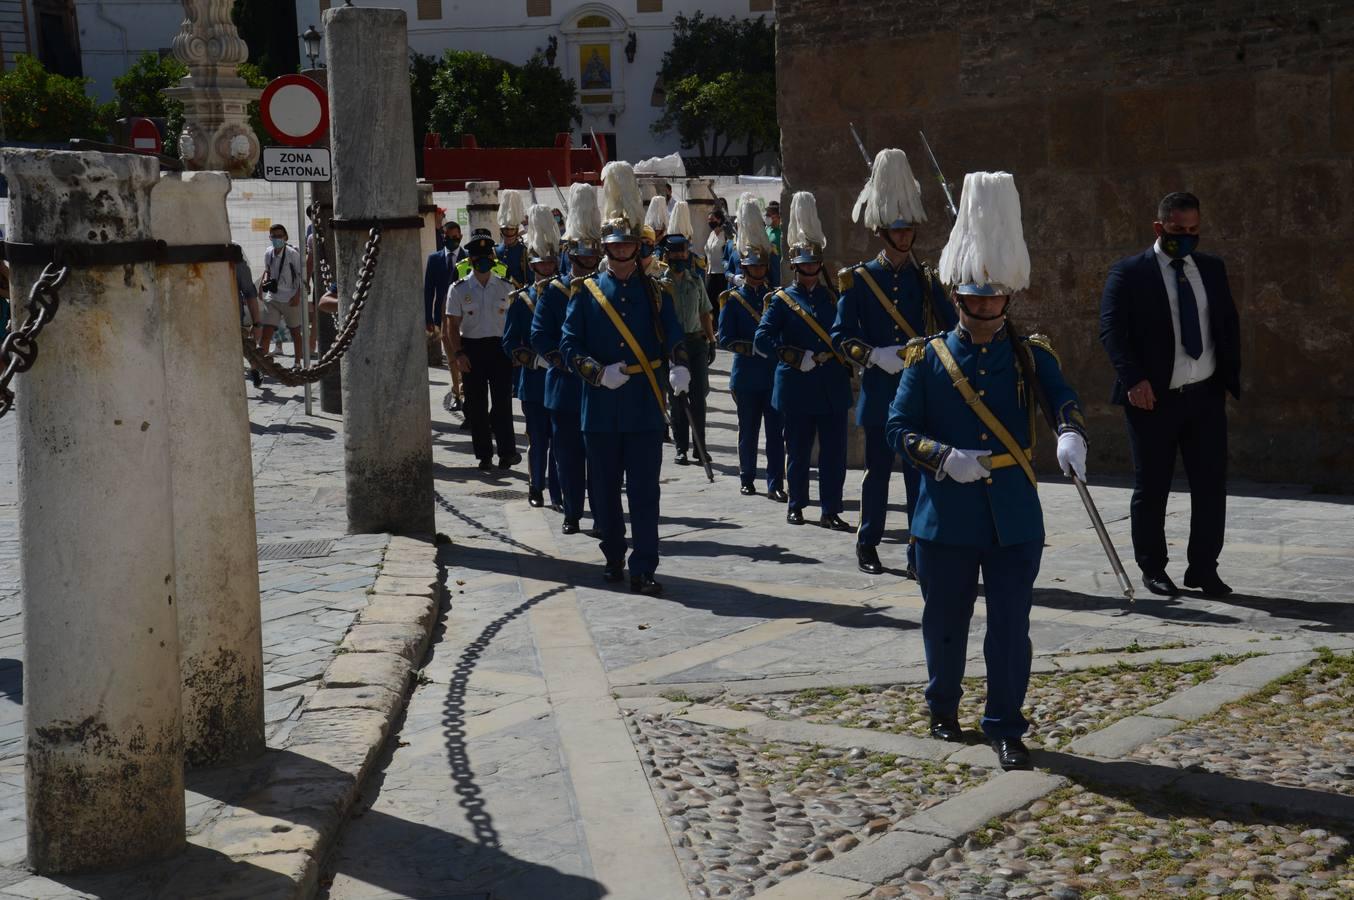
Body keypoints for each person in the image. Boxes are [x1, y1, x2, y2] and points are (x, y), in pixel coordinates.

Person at [887, 172, 1088, 771]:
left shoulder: (1032, 353)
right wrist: (945, 458)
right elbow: (898, 430)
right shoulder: (926, 359)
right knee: (944, 622)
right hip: (945, 513)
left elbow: (1063, 398)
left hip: (1014, 516)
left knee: (1010, 627)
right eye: (974, 300)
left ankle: (1005, 722)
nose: (984, 309)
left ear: (1009, 298)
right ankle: (943, 705)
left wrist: (1072, 432)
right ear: (957, 298)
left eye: (994, 299)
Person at [1098, 192, 1240, 598]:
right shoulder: (1129, 273)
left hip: (1205, 397)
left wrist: (1228, 375)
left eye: (1194, 230)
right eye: (1179, 230)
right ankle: (1153, 568)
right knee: (1153, 485)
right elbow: (1111, 332)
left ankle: (1203, 568)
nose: (1188, 237)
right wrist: (1133, 380)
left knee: (1211, 485)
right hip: (1152, 399)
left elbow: (1225, 322)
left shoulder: (1211, 269)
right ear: (1159, 228)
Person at [561, 161, 687, 595]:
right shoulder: (585, 292)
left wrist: (679, 364)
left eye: (627, 244)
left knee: (645, 492)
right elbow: (568, 346)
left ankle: (645, 564)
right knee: (604, 489)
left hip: (645, 404)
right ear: (605, 248)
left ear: (637, 246)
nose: (621, 252)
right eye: (614, 246)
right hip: (599, 408)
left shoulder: (656, 290)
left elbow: (673, 334)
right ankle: (614, 554)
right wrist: (596, 373)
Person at [834, 149, 956, 578]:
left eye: (910, 231)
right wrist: (873, 356)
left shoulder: (925, 279)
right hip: (881, 390)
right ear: (883, 231)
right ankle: (868, 542)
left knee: (918, 481)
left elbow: (952, 326)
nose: (905, 237)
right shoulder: (861, 279)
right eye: (898, 231)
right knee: (877, 476)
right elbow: (840, 337)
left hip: (918, 391)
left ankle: (916, 551)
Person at [754, 192, 853, 531]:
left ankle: (831, 509)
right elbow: (762, 339)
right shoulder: (781, 301)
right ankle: (796, 504)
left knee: (834, 455)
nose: (810, 271)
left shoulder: (831, 298)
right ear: (795, 266)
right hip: (797, 385)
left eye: (814, 265)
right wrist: (795, 356)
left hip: (831, 387)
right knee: (797, 451)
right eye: (804, 265)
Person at [534, 182, 601, 535]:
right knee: (569, 459)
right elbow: (539, 335)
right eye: (581, 258)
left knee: (602, 462)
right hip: (565, 387)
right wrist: (563, 360)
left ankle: (604, 514)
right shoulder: (555, 292)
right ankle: (572, 513)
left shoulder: (606, 290)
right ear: (570, 256)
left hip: (602, 387)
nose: (588, 263)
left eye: (592, 257)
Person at [719, 195, 786, 501]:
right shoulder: (732, 300)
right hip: (746, 375)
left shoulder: (776, 299)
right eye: (752, 268)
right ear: (744, 269)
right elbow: (724, 339)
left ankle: (775, 482)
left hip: (772, 375)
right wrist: (753, 349)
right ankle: (747, 477)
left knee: (776, 434)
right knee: (748, 433)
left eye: (761, 268)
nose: (758, 272)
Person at [445, 228, 521, 472]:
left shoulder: (506, 287)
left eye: (487, 254)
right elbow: (451, 325)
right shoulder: (458, 289)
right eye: (478, 256)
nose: (483, 260)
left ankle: (507, 453)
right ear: (471, 260)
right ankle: (484, 455)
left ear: (493, 257)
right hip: (472, 350)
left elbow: (514, 323)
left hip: (500, 350)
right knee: (476, 407)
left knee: (502, 405)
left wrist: (516, 350)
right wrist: (458, 354)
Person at [505, 205, 565, 510]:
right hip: (533, 380)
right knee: (537, 440)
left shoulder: (565, 295)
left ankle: (558, 491)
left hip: (559, 379)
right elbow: (509, 344)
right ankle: (535, 486)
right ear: (532, 264)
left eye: (551, 263)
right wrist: (535, 360)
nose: (547, 268)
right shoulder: (521, 300)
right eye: (542, 264)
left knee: (559, 440)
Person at [660, 200, 716, 467]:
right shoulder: (660, 285)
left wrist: (712, 340)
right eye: (676, 254)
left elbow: (706, 312)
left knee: (699, 396)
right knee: (677, 397)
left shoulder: (695, 281)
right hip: (673, 346)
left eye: (684, 253)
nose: (681, 258)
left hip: (696, 343)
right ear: (667, 256)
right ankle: (681, 447)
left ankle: (700, 447)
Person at [426, 221, 466, 407]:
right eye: (449, 237)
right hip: (443, 314)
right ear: (443, 237)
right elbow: (428, 290)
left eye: (456, 237)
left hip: (466, 314)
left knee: (464, 353)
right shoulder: (434, 259)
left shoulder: (468, 259)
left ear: (461, 237)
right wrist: (429, 318)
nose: (452, 240)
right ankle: (457, 391)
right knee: (451, 356)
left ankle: (465, 391)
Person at [257, 224, 304, 366]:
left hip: (289, 298)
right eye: (274, 236)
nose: (277, 238)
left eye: (280, 236)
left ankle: (297, 363)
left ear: (285, 237)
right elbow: (267, 270)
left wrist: (297, 296)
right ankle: (261, 365)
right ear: (270, 237)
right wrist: (262, 285)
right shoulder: (268, 252)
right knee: (266, 332)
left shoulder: (292, 254)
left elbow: (301, 276)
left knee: (295, 331)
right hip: (273, 297)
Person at [232, 244, 262, 388]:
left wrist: (256, 323)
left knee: (244, 347)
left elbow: (250, 294)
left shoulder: (237, 261)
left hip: (234, 317)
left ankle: (255, 368)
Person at [496, 190, 531, 288]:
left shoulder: (523, 251)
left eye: (512, 231)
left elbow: (529, 279)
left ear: (516, 232)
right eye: (505, 231)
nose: (509, 234)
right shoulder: (495, 251)